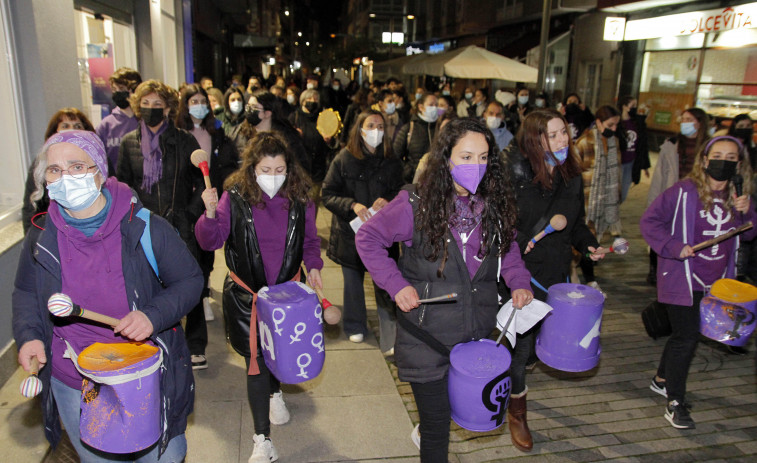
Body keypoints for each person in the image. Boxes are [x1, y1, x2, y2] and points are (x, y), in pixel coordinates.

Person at [14, 130, 201, 462]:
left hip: (143, 374)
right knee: (99, 456)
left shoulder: (145, 227)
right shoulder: (41, 236)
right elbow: (27, 292)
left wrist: (152, 315)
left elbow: (189, 281)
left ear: (99, 172)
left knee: (165, 456)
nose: (64, 177)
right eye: (54, 170)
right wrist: (29, 336)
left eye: (76, 166)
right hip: (77, 380)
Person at [355, 117, 534, 462]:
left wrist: (519, 282)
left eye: (483, 157)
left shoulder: (493, 205)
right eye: (466, 157)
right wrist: (397, 285)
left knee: (456, 412)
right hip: (426, 335)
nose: (476, 166)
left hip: (474, 336)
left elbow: (508, 250)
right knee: (438, 425)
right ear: (446, 158)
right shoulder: (415, 204)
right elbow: (368, 238)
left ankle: (425, 427)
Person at [194, 131, 322, 463]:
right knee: (256, 361)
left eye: (279, 170)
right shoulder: (234, 196)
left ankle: (276, 392)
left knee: (281, 350)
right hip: (247, 296)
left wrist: (316, 267)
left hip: (287, 295)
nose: (273, 177)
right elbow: (211, 241)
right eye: (265, 170)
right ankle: (262, 438)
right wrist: (208, 214)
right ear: (252, 168)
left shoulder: (301, 198)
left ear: (289, 169)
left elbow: (309, 241)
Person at [504, 109, 604, 451]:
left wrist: (589, 246)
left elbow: (575, 224)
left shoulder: (571, 177)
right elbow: (502, 232)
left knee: (529, 348)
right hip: (519, 274)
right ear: (535, 140)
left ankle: (514, 379)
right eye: (554, 134)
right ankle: (517, 411)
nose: (563, 140)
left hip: (555, 275)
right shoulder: (515, 178)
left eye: (565, 132)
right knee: (521, 349)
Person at [641, 135, 756, 429]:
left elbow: (749, 235)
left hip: (716, 281)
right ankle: (675, 401)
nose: (724, 162)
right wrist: (672, 246)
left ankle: (661, 379)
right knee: (688, 336)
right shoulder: (683, 192)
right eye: (718, 155)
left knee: (683, 334)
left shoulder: (739, 196)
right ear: (704, 160)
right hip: (681, 277)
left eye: (731, 158)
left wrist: (746, 211)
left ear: (739, 164)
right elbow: (649, 221)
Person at [116, 79, 208, 369]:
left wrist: (190, 214)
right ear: (137, 107)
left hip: (180, 224)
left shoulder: (184, 140)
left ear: (168, 108)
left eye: (158, 104)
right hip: (142, 225)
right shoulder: (128, 143)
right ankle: (151, 340)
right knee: (146, 286)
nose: (151, 109)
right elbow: (122, 186)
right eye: (145, 104)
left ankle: (195, 343)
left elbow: (201, 182)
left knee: (187, 282)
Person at [321, 110, 404, 348]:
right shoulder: (344, 158)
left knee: (385, 283)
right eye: (371, 125)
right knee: (353, 282)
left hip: (383, 234)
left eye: (380, 126)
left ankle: (391, 333)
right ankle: (355, 324)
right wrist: (351, 205)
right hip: (351, 233)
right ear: (360, 129)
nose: (376, 131)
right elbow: (328, 193)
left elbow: (402, 190)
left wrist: (388, 199)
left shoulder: (391, 160)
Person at [176, 83, 240, 322]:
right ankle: (194, 295)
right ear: (185, 105)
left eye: (204, 102)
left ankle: (204, 291)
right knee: (187, 249)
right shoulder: (178, 133)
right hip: (186, 201)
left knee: (206, 249)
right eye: (194, 102)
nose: (200, 106)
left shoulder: (217, 132)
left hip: (211, 198)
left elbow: (228, 163)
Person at [646, 107, 710, 284]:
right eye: (683, 119)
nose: (684, 123)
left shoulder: (708, 146)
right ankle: (656, 270)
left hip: (697, 199)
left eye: (689, 119)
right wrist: (653, 202)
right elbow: (660, 175)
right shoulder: (672, 144)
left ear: (699, 122)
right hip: (673, 196)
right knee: (664, 233)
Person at [22, 108, 96, 234]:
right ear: (54, 132)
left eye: (77, 126)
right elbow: (31, 208)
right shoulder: (42, 162)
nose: (72, 129)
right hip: (53, 234)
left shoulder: (98, 160)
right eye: (65, 126)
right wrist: (33, 242)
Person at [577, 105, 624, 241]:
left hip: (605, 200)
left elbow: (617, 174)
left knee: (596, 236)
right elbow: (572, 175)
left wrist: (616, 198)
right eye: (610, 125)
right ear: (598, 122)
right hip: (586, 201)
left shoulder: (614, 143)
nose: (614, 129)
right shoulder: (584, 142)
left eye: (616, 125)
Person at [289, 88, 336, 206]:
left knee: (312, 203)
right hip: (298, 169)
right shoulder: (294, 118)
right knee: (297, 202)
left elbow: (333, 144)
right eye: (309, 99)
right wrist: (294, 135)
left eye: (315, 99)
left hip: (317, 169)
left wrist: (329, 140)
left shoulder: (322, 119)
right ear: (302, 101)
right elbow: (285, 141)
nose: (312, 101)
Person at [245, 90, 311, 174]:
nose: (249, 110)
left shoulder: (287, 138)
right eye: (248, 106)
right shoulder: (242, 134)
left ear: (267, 113)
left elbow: (302, 169)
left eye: (254, 107)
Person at [97, 67, 142, 174]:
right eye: (114, 89)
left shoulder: (146, 120)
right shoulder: (106, 125)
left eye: (121, 88)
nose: (117, 93)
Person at [393, 93, 439, 183]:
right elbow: (396, 155)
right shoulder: (409, 128)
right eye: (431, 105)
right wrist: (408, 170)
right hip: (411, 180)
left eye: (436, 105)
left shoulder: (440, 128)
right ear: (421, 107)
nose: (434, 108)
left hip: (435, 181)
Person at [617, 95, 651, 203]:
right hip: (618, 161)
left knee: (623, 193)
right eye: (633, 105)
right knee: (614, 191)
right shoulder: (617, 122)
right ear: (624, 107)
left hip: (631, 162)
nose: (635, 108)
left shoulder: (637, 123)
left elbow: (642, 144)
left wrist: (645, 165)